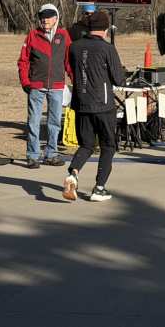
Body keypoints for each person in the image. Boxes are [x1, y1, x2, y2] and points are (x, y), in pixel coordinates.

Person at [62, 11, 125, 202]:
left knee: (86, 145)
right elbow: (118, 78)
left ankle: (73, 174)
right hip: (103, 105)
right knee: (108, 145)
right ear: (105, 29)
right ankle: (99, 188)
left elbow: (73, 69)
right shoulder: (107, 48)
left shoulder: (74, 47)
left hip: (81, 103)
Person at [17, 3, 72, 168]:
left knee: (54, 122)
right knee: (33, 121)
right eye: (42, 17)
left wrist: (75, 80)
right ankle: (33, 156)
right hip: (36, 86)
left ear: (56, 18)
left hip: (57, 86)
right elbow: (23, 61)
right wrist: (25, 82)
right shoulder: (32, 35)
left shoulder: (64, 35)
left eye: (49, 17)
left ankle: (51, 154)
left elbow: (69, 61)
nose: (45, 20)